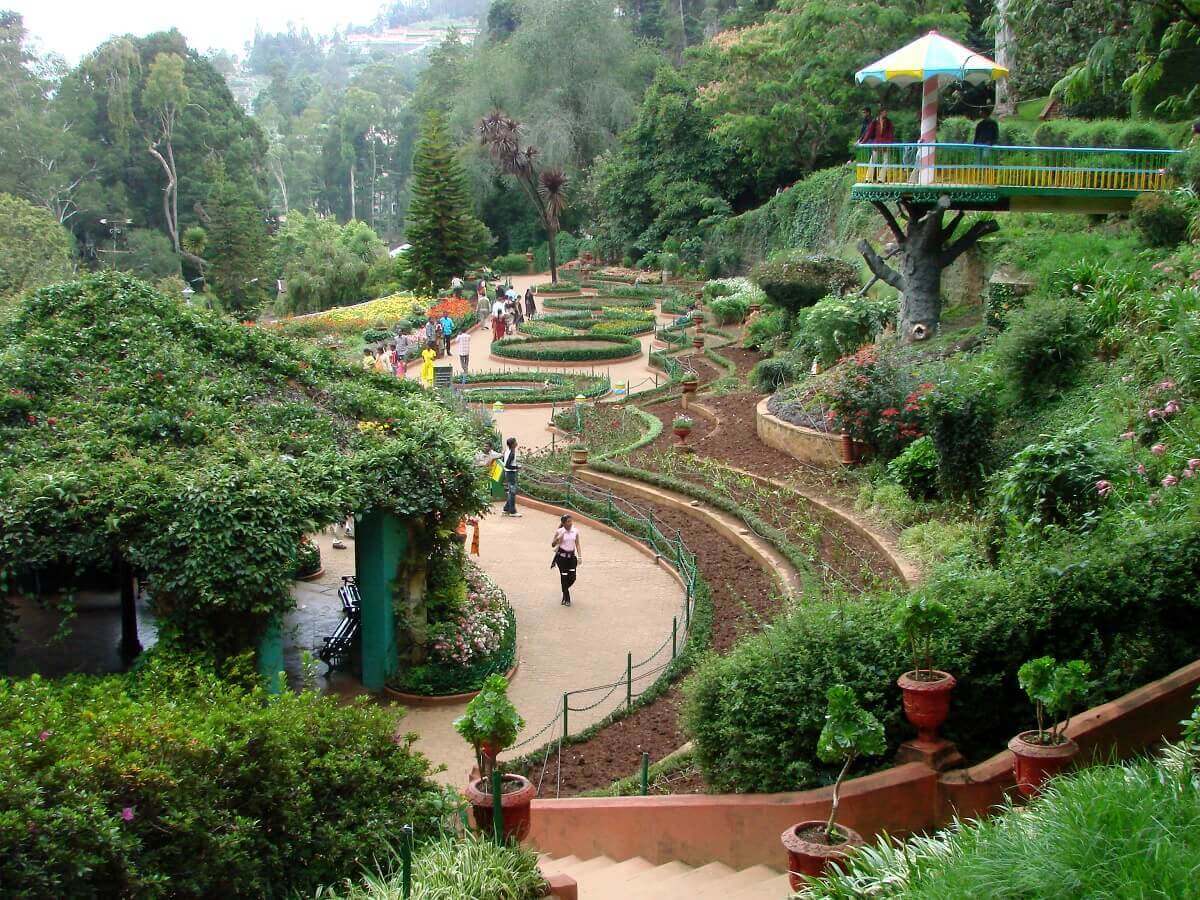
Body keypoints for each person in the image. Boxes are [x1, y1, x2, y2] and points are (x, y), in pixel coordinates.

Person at [550, 513, 582, 606]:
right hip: (561, 558)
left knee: (572, 577)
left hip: (571, 557)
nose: (570, 523)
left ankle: (564, 591)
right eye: (568, 521)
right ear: (563, 523)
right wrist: (558, 538)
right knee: (564, 577)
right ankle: (567, 598)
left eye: (571, 521)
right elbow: (553, 544)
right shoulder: (559, 531)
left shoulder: (575, 531)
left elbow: (577, 544)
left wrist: (579, 556)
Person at [862, 108, 895, 182]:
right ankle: (868, 178)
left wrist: (890, 143)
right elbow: (869, 133)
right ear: (880, 113)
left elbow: (891, 134)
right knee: (873, 160)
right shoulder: (875, 121)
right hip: (877, 144)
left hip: (886, 144)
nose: (886, 113)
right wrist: (862, 142)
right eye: (884, 112)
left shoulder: (889, 122)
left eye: (886, 112)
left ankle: (881, 178)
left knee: (886, 161)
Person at [501, 436, 521, 516]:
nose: (516, 443)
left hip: (508, 473)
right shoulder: (511, 453)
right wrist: (517, 467)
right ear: (512, 444)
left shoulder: (507, 451)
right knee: (512, 492)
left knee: (511, 492)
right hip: (511, 474)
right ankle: (512, 511)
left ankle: (506, 509)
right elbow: (507, 465)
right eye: (515, 442)